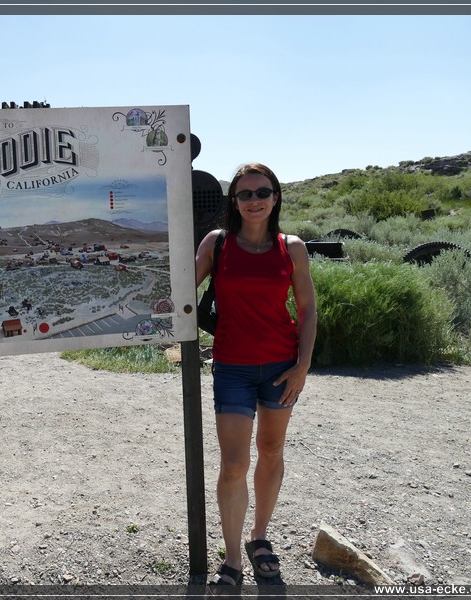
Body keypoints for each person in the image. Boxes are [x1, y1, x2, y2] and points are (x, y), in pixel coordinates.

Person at [194, 162, 317, 586]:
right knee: (233, 464)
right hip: (233, 367)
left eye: (262, 192)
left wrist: (302, 366)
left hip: (282, 367)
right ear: (234, 201)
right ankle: (232, 559)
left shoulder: (292, 247)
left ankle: (259, 537)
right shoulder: (218, 244)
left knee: (271, 450)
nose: (254, 201)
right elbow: (178, 291)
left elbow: (306, 309)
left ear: (275, 197)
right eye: (245, 194)